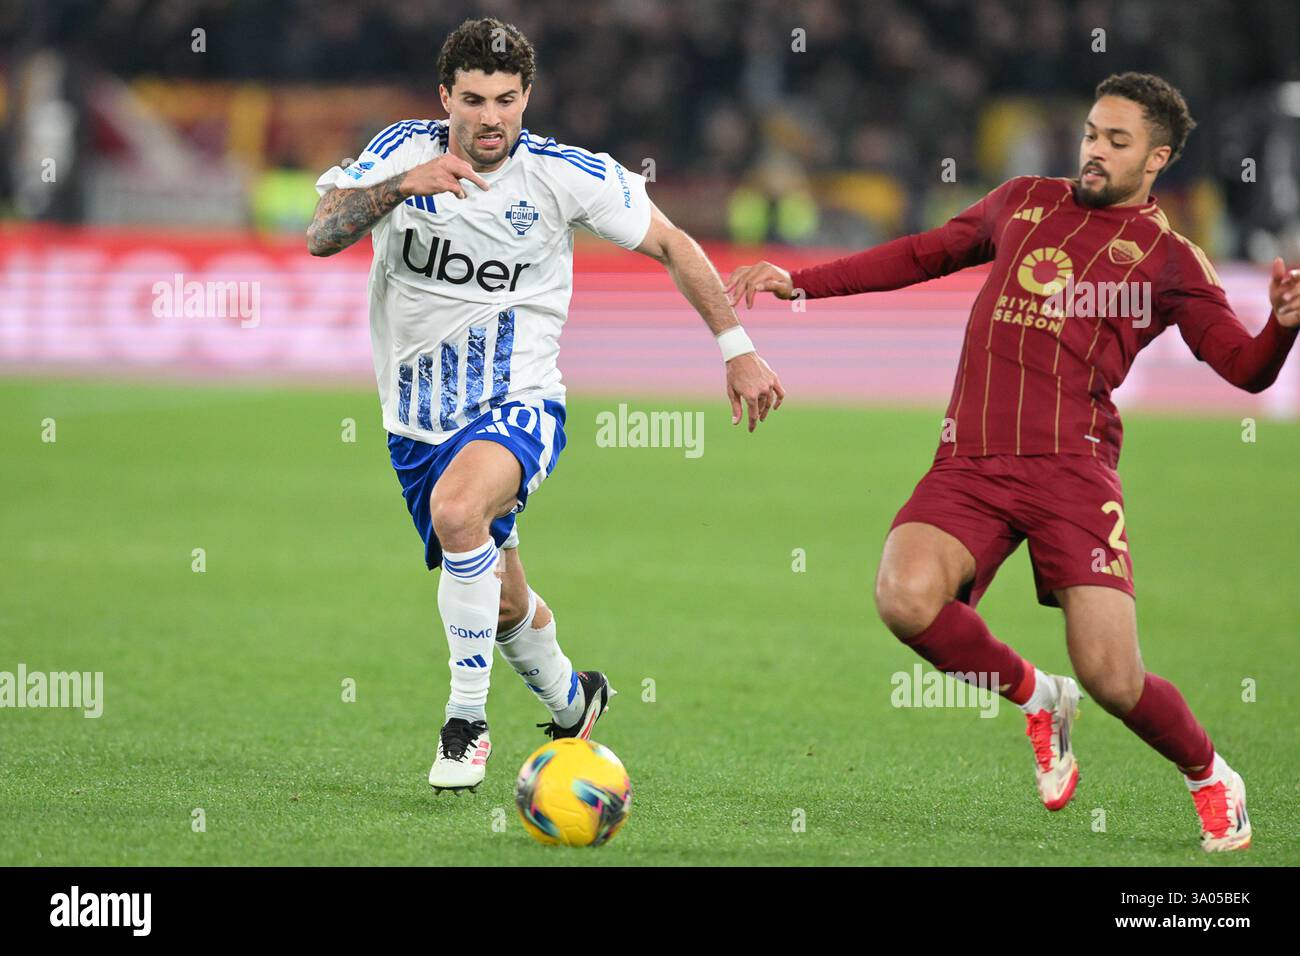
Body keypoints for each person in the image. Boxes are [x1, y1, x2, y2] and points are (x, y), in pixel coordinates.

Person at [726, 72, 1298, 851]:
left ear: (1157, 158)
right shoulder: (1023, 199)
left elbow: (1245, 369)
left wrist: (1284, 328)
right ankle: (1035, 697)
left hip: (1073, 472)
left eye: (1117, 142)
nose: (1094, 151)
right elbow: (923, 253)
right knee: (904, 597)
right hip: (973, 458)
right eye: (1093, 133)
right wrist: (801, 282)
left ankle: (1208, 776)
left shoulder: (1170, 260)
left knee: (1114, 678)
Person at [308, 17, 783, 792]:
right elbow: (321, 234)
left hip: (518, 402)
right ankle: (573, 701)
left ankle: (466, 726)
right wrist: (400, 188)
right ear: (444, 98)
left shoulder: (563, 175)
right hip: (415, 423)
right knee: (499, 603)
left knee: (461, 514)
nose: (490, 117)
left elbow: (671, 242)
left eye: (505, 99)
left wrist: (737, 349)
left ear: (527, 97)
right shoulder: (399, 150)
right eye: (472, 100)